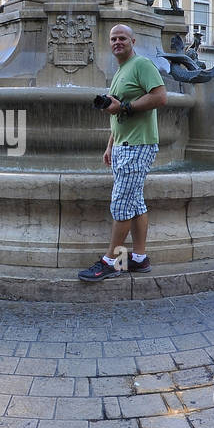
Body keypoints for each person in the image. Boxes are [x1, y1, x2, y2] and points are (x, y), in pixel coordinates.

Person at [80, 23, 170, 281]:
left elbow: (161, 97)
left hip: (139, 145)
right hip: (123, 146)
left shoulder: (142, 65)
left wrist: (126, 107)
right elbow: (116, 112)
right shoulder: (120, 71)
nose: (117, 42)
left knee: (120, 205)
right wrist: (110, 145)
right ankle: (139, 259)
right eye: (113, 39)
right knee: (135, 204)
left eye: (122, 38)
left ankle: (112, 262)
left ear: (133, 40)